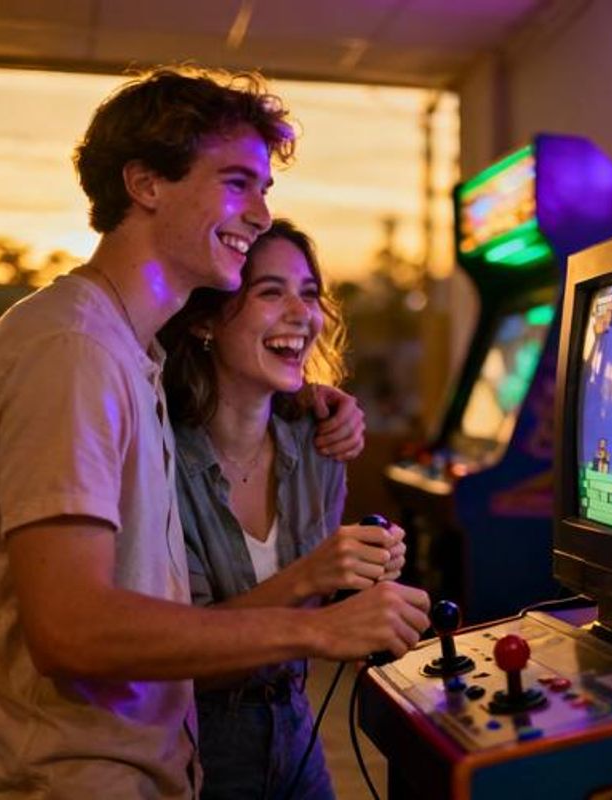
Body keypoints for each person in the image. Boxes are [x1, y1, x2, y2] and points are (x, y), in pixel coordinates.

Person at [0, 66, 430, 799]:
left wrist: (306, 395)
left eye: (264, 189)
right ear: (146, 184)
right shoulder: (73, 348)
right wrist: (317, 629)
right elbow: (69, 629)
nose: (260, 214)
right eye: (237, 183)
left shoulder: (130, 353)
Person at [160, 218, 407, 799]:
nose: (303, 314)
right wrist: (314, 574)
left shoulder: (321, 443)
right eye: (271, 292)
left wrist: (358, 572)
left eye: (310, 293)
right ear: (203, 321)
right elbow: (179, 663)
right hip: (193, 746)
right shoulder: (160, 458)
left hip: (295, 726)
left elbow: (317, 613)